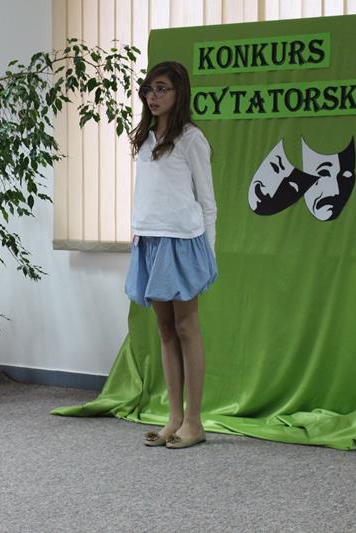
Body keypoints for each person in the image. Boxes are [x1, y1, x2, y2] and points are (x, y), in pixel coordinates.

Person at [125, 61, 218, 449]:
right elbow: (147, 193)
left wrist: (208, 252)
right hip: (150, 240)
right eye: (149, 89)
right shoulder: (145, 139)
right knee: (164, 330)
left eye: (162, 89)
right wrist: (137, 233)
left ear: (180, 93)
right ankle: (174, 418)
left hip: (183, 242)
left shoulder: (192, 139)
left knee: (186, 327)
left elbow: (207, 202)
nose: (153, 96)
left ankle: (194, 422)